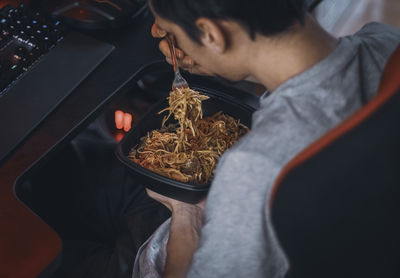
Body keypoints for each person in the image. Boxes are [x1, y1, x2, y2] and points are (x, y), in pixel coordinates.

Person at [133, 0, 400, 277]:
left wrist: (186, 214)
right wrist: (218, 56)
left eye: (172, 31)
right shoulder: (387, 41)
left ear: (212, 34)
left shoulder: (253, 166)